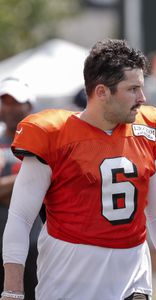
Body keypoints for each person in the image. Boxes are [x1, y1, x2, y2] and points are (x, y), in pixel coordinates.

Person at [1, 39, 156, 300]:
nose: (142, 98)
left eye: (141, 88)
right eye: (132, 89)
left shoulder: (149, 128)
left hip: (132, 272)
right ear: (101, 92)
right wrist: (12, 290)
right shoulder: (52, 134)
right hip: (69, 274)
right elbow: (20, 217)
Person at [0, 77, 41, 300]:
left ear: (29, 106)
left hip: (36, 239)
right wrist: (28, 181)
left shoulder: (42, 143)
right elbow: (36, 183)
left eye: (16, 102)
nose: (10, 108)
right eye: (5, 101)